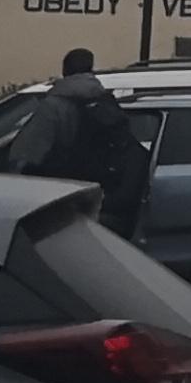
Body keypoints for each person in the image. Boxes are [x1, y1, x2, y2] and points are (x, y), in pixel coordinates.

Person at [34, 48, 154, 239]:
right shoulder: (105, 99)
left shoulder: (54, 104)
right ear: (91, 69)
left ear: (65, 70)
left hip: (68, 195)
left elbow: (30, 152)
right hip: (108, 191)